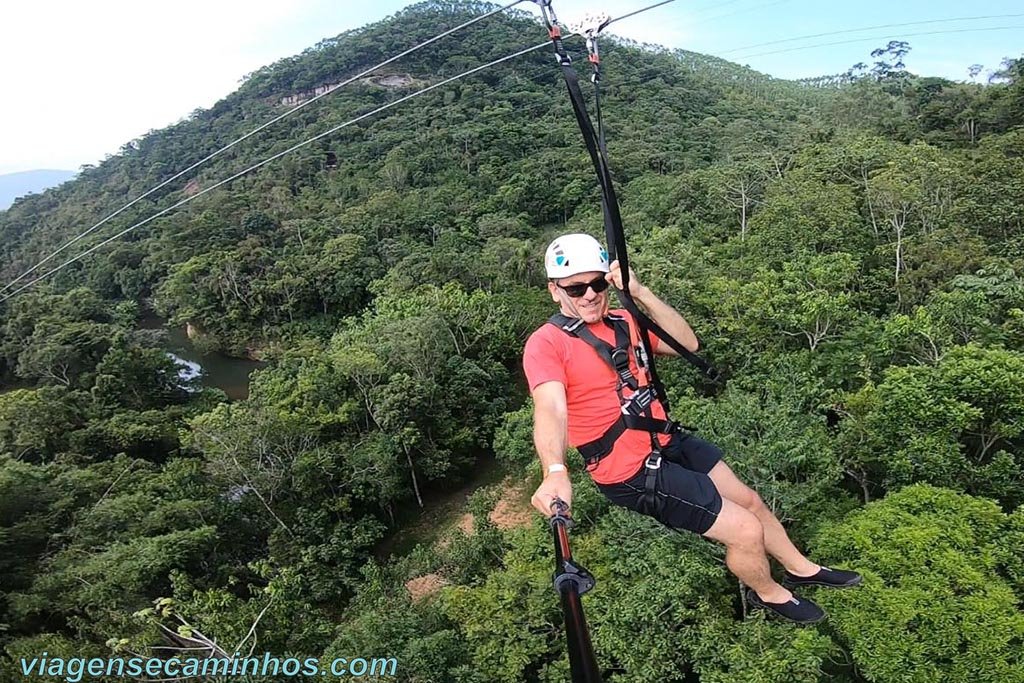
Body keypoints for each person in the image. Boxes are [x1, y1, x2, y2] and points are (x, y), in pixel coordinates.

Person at [523, 233, 861, 624]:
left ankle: (803, 569)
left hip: (665, 437)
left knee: (750, 500)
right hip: (627, 470)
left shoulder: (624, 320)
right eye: (576, 287)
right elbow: (550, 408)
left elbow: (688, 342)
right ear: (554, 291)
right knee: (745, 530)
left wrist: (640, 292)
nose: (589, 295)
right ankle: (771, 592)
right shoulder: (546, 344)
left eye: (598, 283)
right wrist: (556, 470)